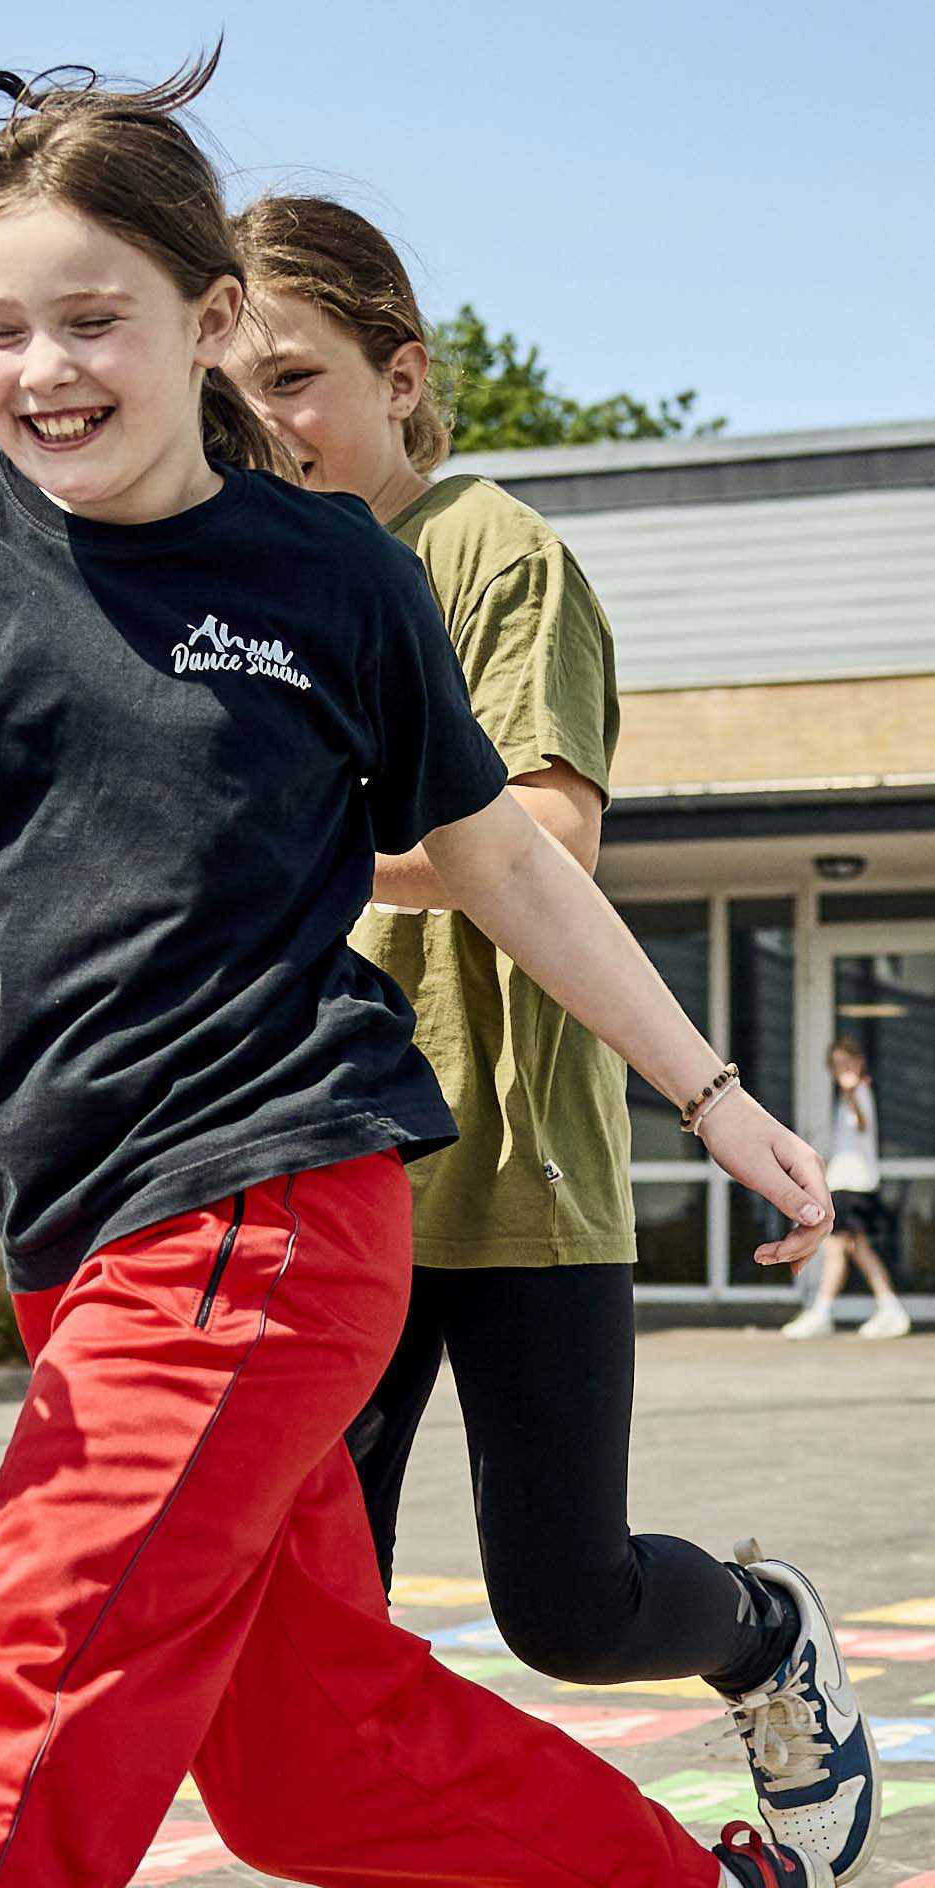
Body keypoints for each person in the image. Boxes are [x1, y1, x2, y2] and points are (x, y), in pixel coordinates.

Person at [0, 56, 847, 1888]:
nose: (42, 370)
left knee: (19, 1681)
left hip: (269, 1209)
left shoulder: (333, 576)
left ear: (207, 319)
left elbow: (508, 860)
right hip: (73, 1233)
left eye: (91, 320)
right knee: (308, 1765)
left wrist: (714, 1092)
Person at [226, 191, 875, 1860]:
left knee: (569, 1607)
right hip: (332, 1169)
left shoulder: (491, 551)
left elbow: (549, 836)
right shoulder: (240, 581)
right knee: (327, 1628)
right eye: (232, 390)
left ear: (399, 375)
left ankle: (763, 1630)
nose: (265, 424)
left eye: (294, 378)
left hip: (517, 1169)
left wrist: (292, 835)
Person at [784, 1039, 908, 1338]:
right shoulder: (846, 1098)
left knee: (835, 1249)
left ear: (858, 1062)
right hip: (848, 1184)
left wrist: (852, 1092)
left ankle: (822, 1312)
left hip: (852, 1187)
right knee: (857, 1249)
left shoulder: (859, 1092)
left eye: (846, 1063)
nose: (842, 1070)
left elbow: (863, 1124)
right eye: (836, 1065)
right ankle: (889, 1307)